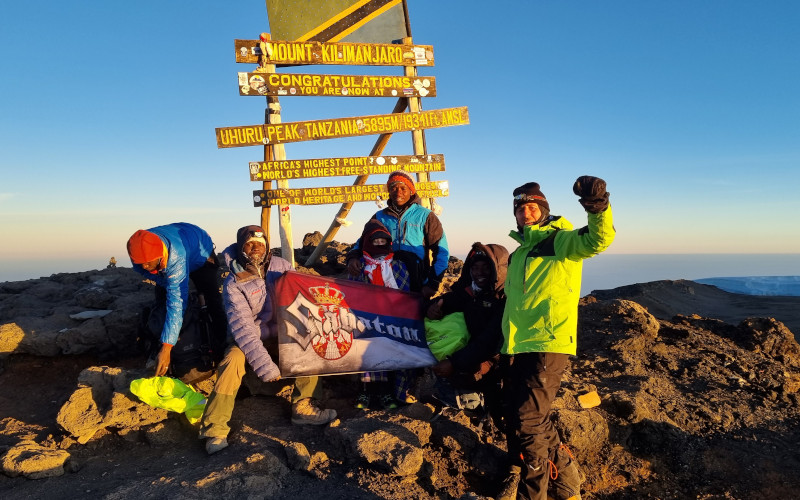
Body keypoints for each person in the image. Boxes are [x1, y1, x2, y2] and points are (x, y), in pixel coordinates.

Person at [497, 176, 615, 500]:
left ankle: (534, 494)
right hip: (521, 345)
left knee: (528, 421)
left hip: (547, 343)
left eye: (532, 207)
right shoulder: (521, 251)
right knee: (537, 420)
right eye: (520, 209)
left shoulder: (559, 240)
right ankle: (568, 486)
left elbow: (597, 240)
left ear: (544, 210)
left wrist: (597, 206)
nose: (525, 214)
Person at [199, 225, 336, 455]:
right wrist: (265, 366)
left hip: (282, 333)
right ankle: (215, 428)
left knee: (312, 341)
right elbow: (243, 330)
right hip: (251, 338)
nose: (255, 249)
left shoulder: (282, 267)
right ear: (241, 247)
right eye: (250, 244)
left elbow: (298, 297)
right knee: (232, 359)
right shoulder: (233, 283)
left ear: (266, 246)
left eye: (260, 244)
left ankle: (303, 406)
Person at [127, 223, 226, 377]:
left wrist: (167, 347)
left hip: (199, 251)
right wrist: (166, 282)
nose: (145, 266)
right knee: (162, 302)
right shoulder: (138, 252)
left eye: (148, 263)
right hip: (175, 251)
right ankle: (163, 348)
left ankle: (222, 345)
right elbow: (143, 270)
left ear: (159, 255)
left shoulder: (175, 256)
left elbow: (177, 303)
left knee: (212, 299)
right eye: (141, 263)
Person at [426, 242, 508, 426]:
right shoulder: (471, 291)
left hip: (497, 358)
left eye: (486, 268)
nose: (479, 272)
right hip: (474, 349)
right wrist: (432, 308)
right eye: (475, 267)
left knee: (460, 369)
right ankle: (458, 400)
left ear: (498, 270)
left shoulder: (504, 299)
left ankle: (476, 408)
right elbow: (449, 300)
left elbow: (489, 340)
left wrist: (454, 362)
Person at [346, 170, 449, 299]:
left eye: (403, 188)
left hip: (417, 282)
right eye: (393, 188)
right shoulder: (379, 217)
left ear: (411, 190)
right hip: (385, 281)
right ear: (389, 191)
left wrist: (432, 284)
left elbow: (441, 251)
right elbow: (363, 242)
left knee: (413, 318)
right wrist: (352, 258)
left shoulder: (425, 216)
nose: (398, 192)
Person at [348, 220, 413, 409]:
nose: (379, 245)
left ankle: (389, 393)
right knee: (368, 357)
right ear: (367, 242)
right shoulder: (358, 265)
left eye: (383, 241)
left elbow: (405, 291)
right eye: (374, 241)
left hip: (394, 319)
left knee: (394, 356)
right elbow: (353, 292)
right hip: (366, 320)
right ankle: (366, 393)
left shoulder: (398, 265)